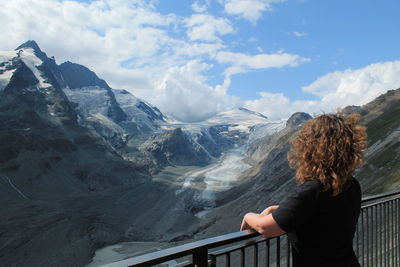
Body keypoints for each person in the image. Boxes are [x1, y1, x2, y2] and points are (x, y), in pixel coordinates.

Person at [240, 113, 367, 267]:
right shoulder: (351, 184)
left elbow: (265, 227)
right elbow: (325, 216)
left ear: (311, 148)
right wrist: (281, 210)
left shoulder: (314, 189)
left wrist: (248, 216)